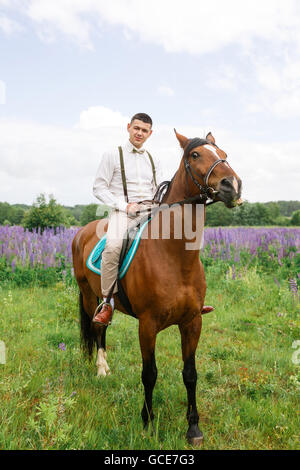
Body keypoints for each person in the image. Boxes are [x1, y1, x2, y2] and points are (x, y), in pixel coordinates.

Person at [92, 112, 162, 326]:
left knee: (180, 242)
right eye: (137, 128)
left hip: (151, 210)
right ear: (129, 127)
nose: (140, 133)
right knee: (113, 247)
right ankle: (107, 303)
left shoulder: (153, 158)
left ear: (150, 133)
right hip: (123, 211)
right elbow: (98, 187)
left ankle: (187, 298)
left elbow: (157, 189)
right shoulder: (112, 154)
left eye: (144, 130)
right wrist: (124, 206)